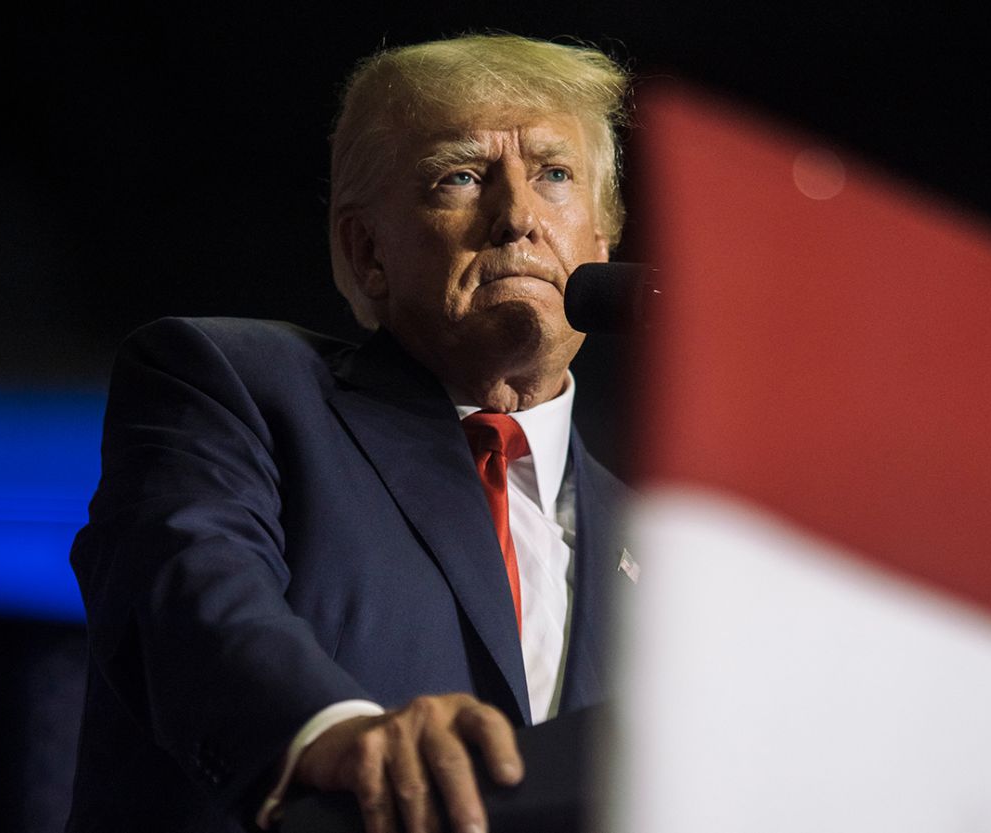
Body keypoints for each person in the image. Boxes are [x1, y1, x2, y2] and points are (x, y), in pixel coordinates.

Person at [66, 34, 632, 833]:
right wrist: (336, 733)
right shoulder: (234, 386)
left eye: (555, 176)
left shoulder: (669, 547)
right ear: (366, 251)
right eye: (462, 176)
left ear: (601, 246)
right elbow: (192, 595)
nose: (517, 219)